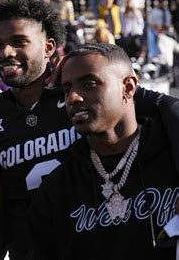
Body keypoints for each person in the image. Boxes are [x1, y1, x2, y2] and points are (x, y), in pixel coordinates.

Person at [0, 0, 179, 259]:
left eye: (19, 42)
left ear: (49, 47)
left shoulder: (83, 97)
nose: (5, 53)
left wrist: (85, 70)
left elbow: (153, 103)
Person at [29, 43, 179, 260]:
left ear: (128, 88)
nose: (73, 98)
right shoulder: (58, 187)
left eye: (89, 84)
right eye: (67, 88)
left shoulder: (170, 155)